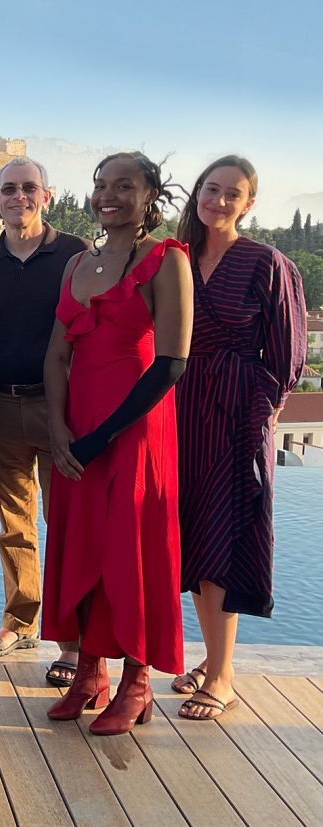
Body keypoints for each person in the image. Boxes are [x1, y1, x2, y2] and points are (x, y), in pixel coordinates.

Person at [42, 152, 193, 736]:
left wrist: (104, 436)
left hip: (136, 429)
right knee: (82, 545)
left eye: (123, 186)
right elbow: (57, 353)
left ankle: (136, 681)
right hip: (77, 430)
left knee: (131, 548)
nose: (108, 196)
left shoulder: (167, 260)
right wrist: (60, 430)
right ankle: (88, 672)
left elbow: (172, 364)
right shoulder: (77, 261)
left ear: (149, 192)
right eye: (101, 185)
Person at [172, 156, 306, 720]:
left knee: (223, 537)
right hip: (179, 408)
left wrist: (260, 415)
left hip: (236, 414)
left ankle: (223, 674)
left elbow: (287, 357)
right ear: (197, 194)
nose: (219, 201)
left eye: (233, 194)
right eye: (212, 189)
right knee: (197, 537)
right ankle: (210, 657)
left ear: (248, 204)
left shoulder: (266, 262)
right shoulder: (176, 258)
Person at [0, 157, 88, 684]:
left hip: (61, 407)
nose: (19, 197)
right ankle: (20, 620)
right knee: (14, 525)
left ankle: (74, 641)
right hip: (1, 404)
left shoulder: (76, 254)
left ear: (48, 195)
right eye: (8, 190)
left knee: (67, 522)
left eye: (29, 188)